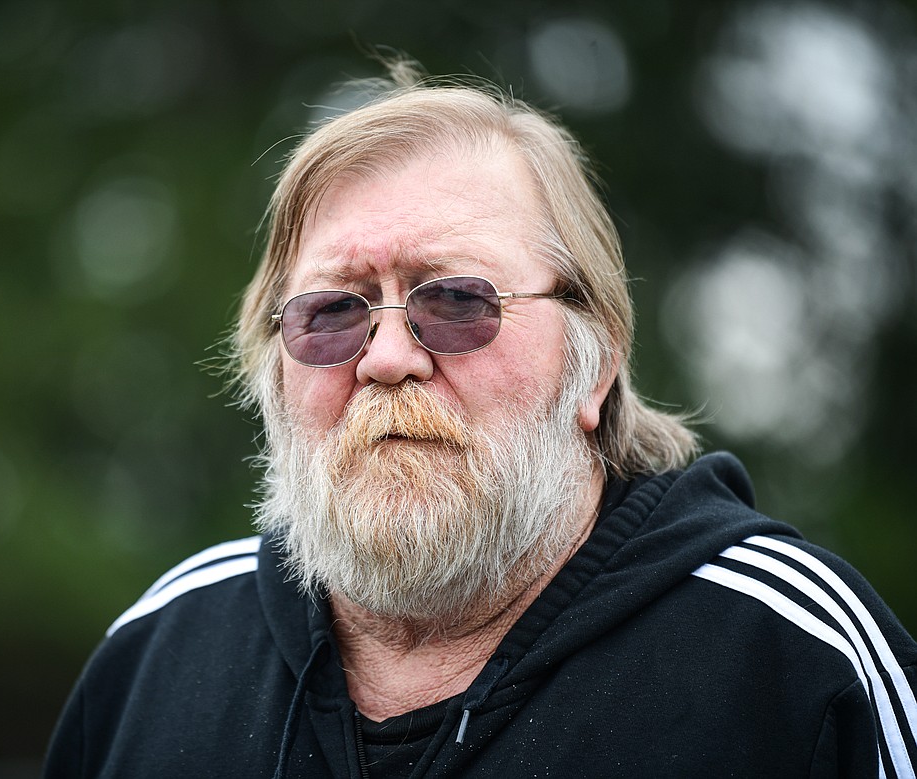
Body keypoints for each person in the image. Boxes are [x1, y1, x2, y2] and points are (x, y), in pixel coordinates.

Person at [44, 60, 917, 778]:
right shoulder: (161, 654)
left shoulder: (790, 663)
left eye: (458, 301)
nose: (387, 358)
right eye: (332, 313)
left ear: (598, 365)